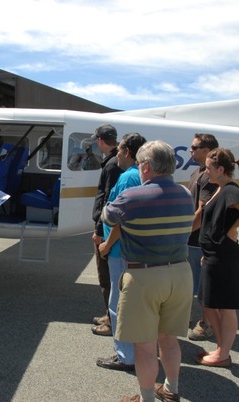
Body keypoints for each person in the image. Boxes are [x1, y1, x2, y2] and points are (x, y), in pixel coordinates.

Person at [102, 141, 194, 402]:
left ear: (146, 166)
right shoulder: (185, 194)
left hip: (144, 276)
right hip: (179, 273)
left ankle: (146, 399)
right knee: (169, 339)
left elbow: (108, 217)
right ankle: (171, 390)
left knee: (144, 346)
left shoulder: (133, 196)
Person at [195, 148, 239, 367]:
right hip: (214, 256)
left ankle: (223, 354)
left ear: (221, 169)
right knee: (209, 303)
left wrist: (233, 227)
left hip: (225, 257)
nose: (206, 172)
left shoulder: (230, 190)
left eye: (208, 168)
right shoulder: (220, 188)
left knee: (225, 307)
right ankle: (220, 348)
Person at [96, 132, 146, 371]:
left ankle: (125, 355)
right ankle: (136, 350)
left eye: (119, 150)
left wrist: (106, 244)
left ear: (127, 152)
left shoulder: (127, 178)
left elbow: (119, 218)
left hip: (118, 250)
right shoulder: (141, 176)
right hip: (132, 249)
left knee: (118, 303)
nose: (116, 153)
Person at [90, 124, 123, 336]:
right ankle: (109, 314)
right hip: (109, 227)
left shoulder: (111, 165)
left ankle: (111, 322)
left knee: (106, 276)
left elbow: (108, 202)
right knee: (108, 276)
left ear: (101, 140)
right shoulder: (114, 162)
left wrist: (99, 230)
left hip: (106, 229)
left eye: (97, 140)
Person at [187, 133, 219, 341]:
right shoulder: (198, 172)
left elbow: (203, 209)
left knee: (203, 289)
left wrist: (185, 230)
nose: (190, 150)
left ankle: (206, 324)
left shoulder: (207, 177)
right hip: (193, 239)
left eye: (194, 147)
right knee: (192, 284)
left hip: (198, 240)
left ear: (206, 150)